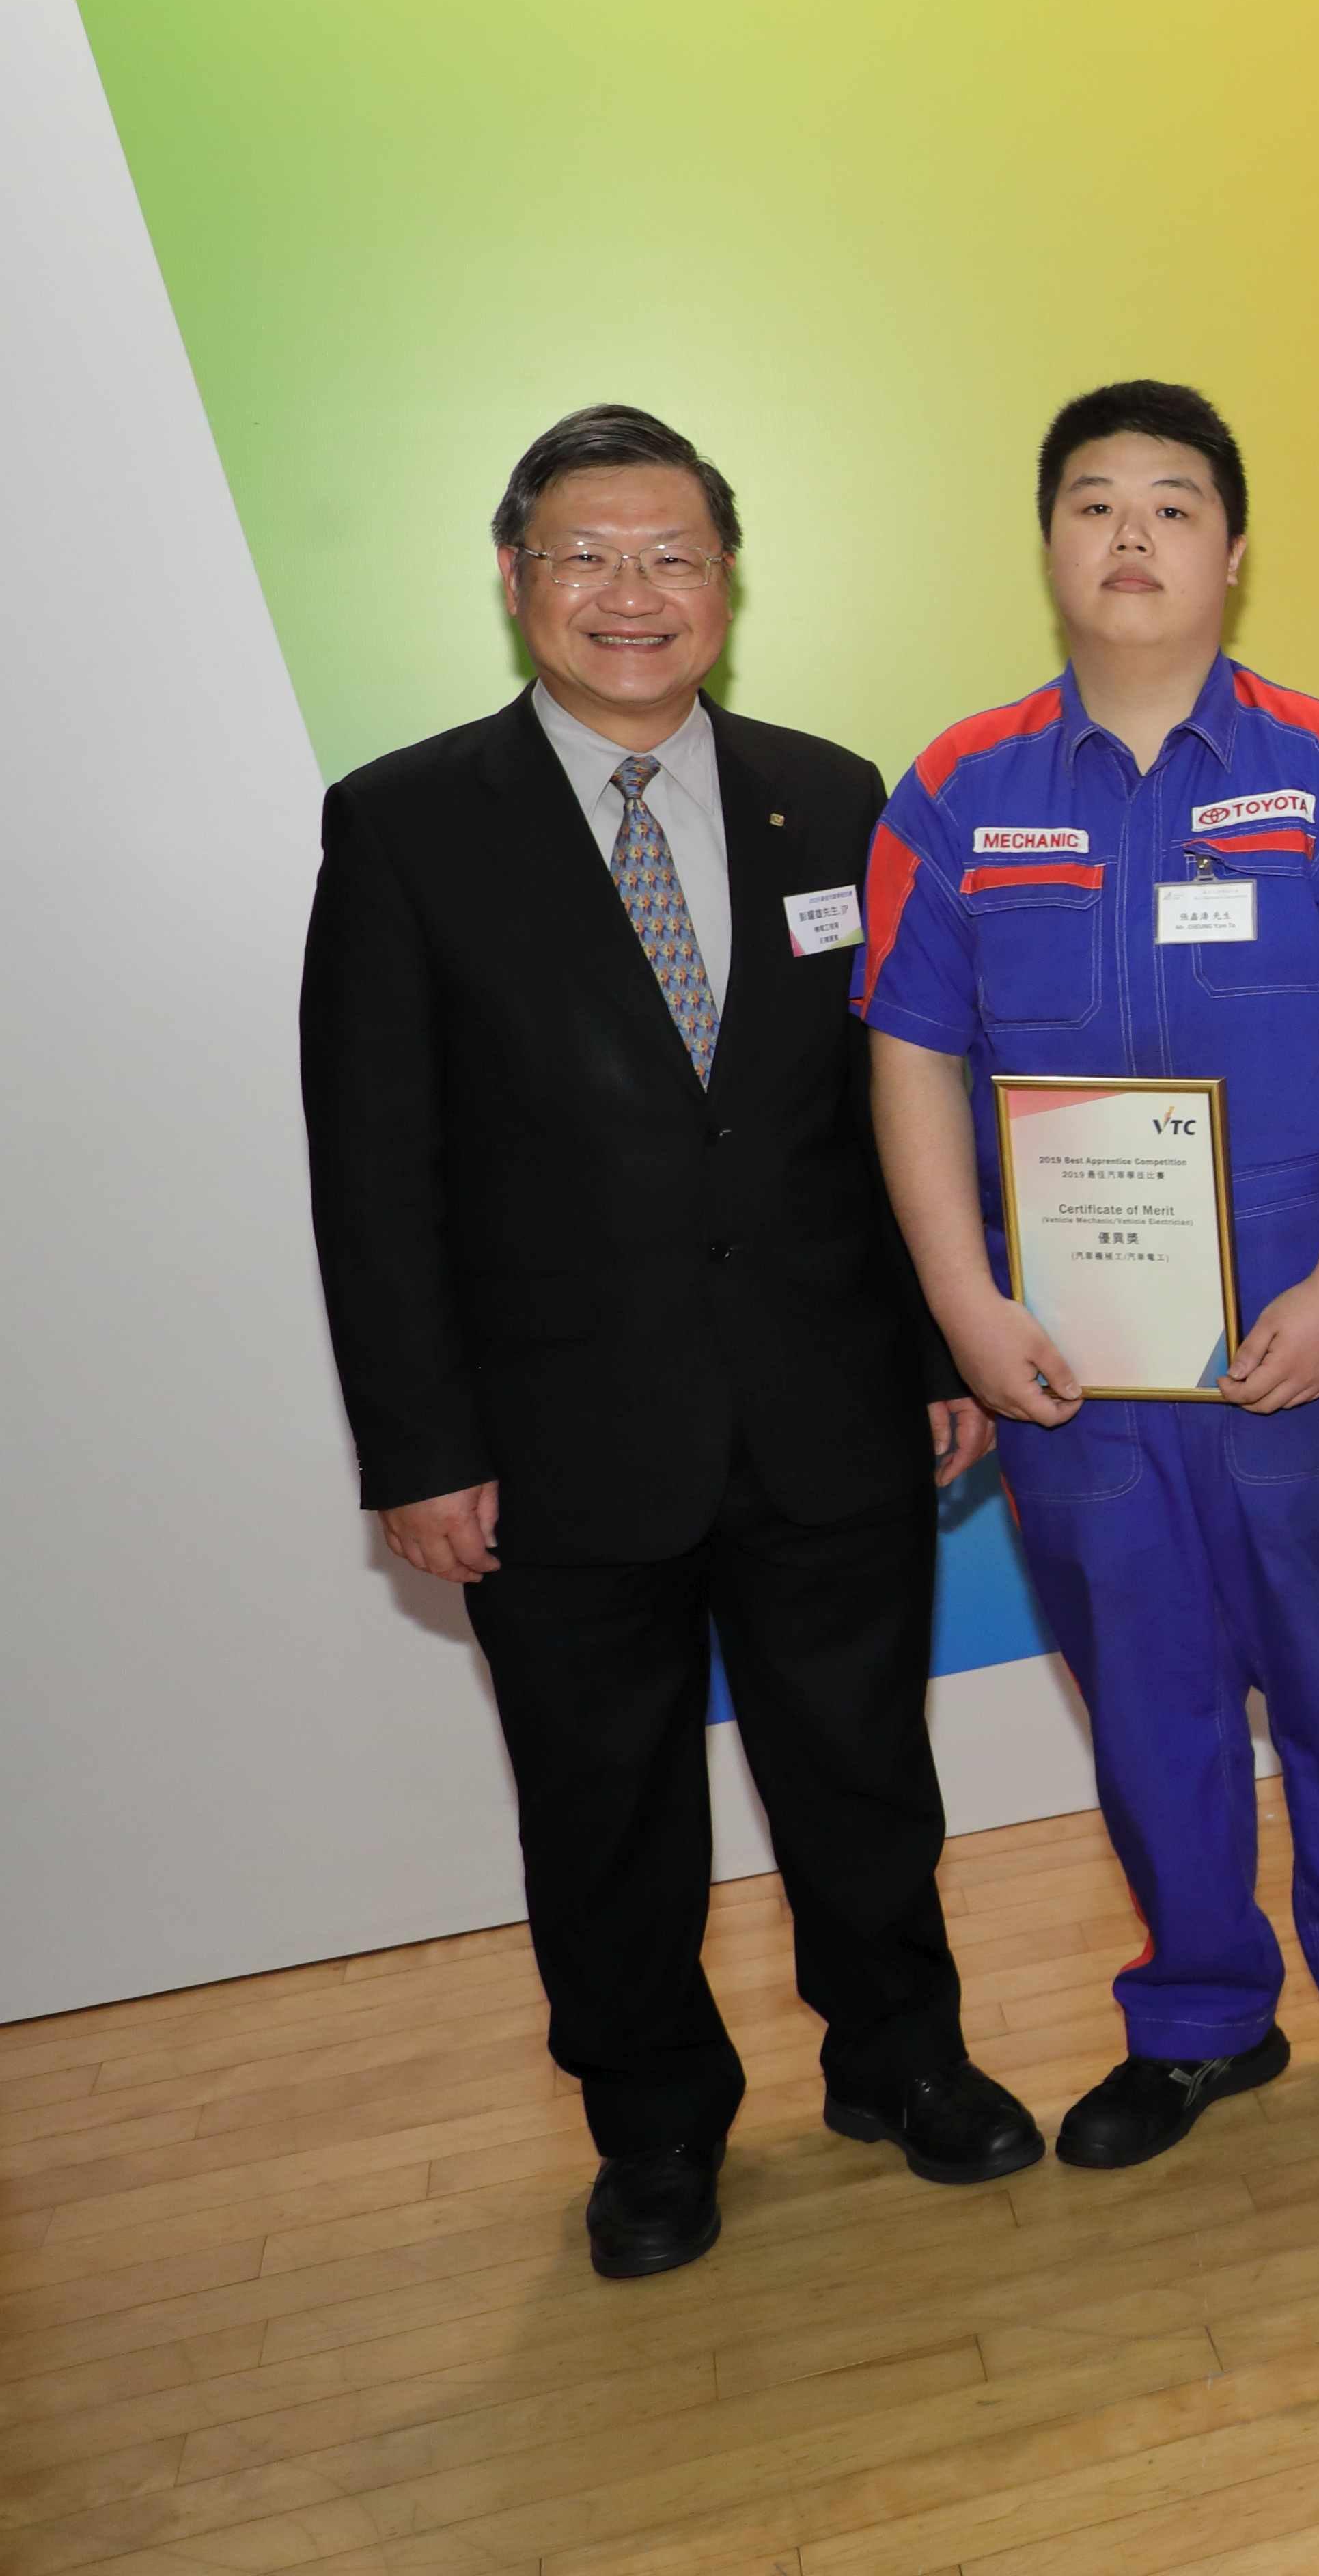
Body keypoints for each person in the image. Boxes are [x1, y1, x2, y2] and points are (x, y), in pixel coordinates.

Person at [300, 404, 1030, 2282]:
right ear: (515, 577)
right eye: (588, 557)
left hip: (828, 1404)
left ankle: (902, 2058)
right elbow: (371, 1169)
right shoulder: (405, 824)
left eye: (673, 558)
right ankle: (653, 2128)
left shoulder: (836, 797)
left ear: (727, 581)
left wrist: (933, 1346)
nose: (633, 596)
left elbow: (895, 1107)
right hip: (554, 1441)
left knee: (862, 1773)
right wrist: (418, 1448)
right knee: (603, 1810)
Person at [862, 381, 1319, 2167]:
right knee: (1145, 1692)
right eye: (1094, 503)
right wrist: (966, 1308)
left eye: (1172, 504)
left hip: (1300, 1333)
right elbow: (909, 1057)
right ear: (1048, 545)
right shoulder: (958, 790)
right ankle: (1203, 2017)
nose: (1132, 536)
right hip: (1074, 1355)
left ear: (1233, 551)